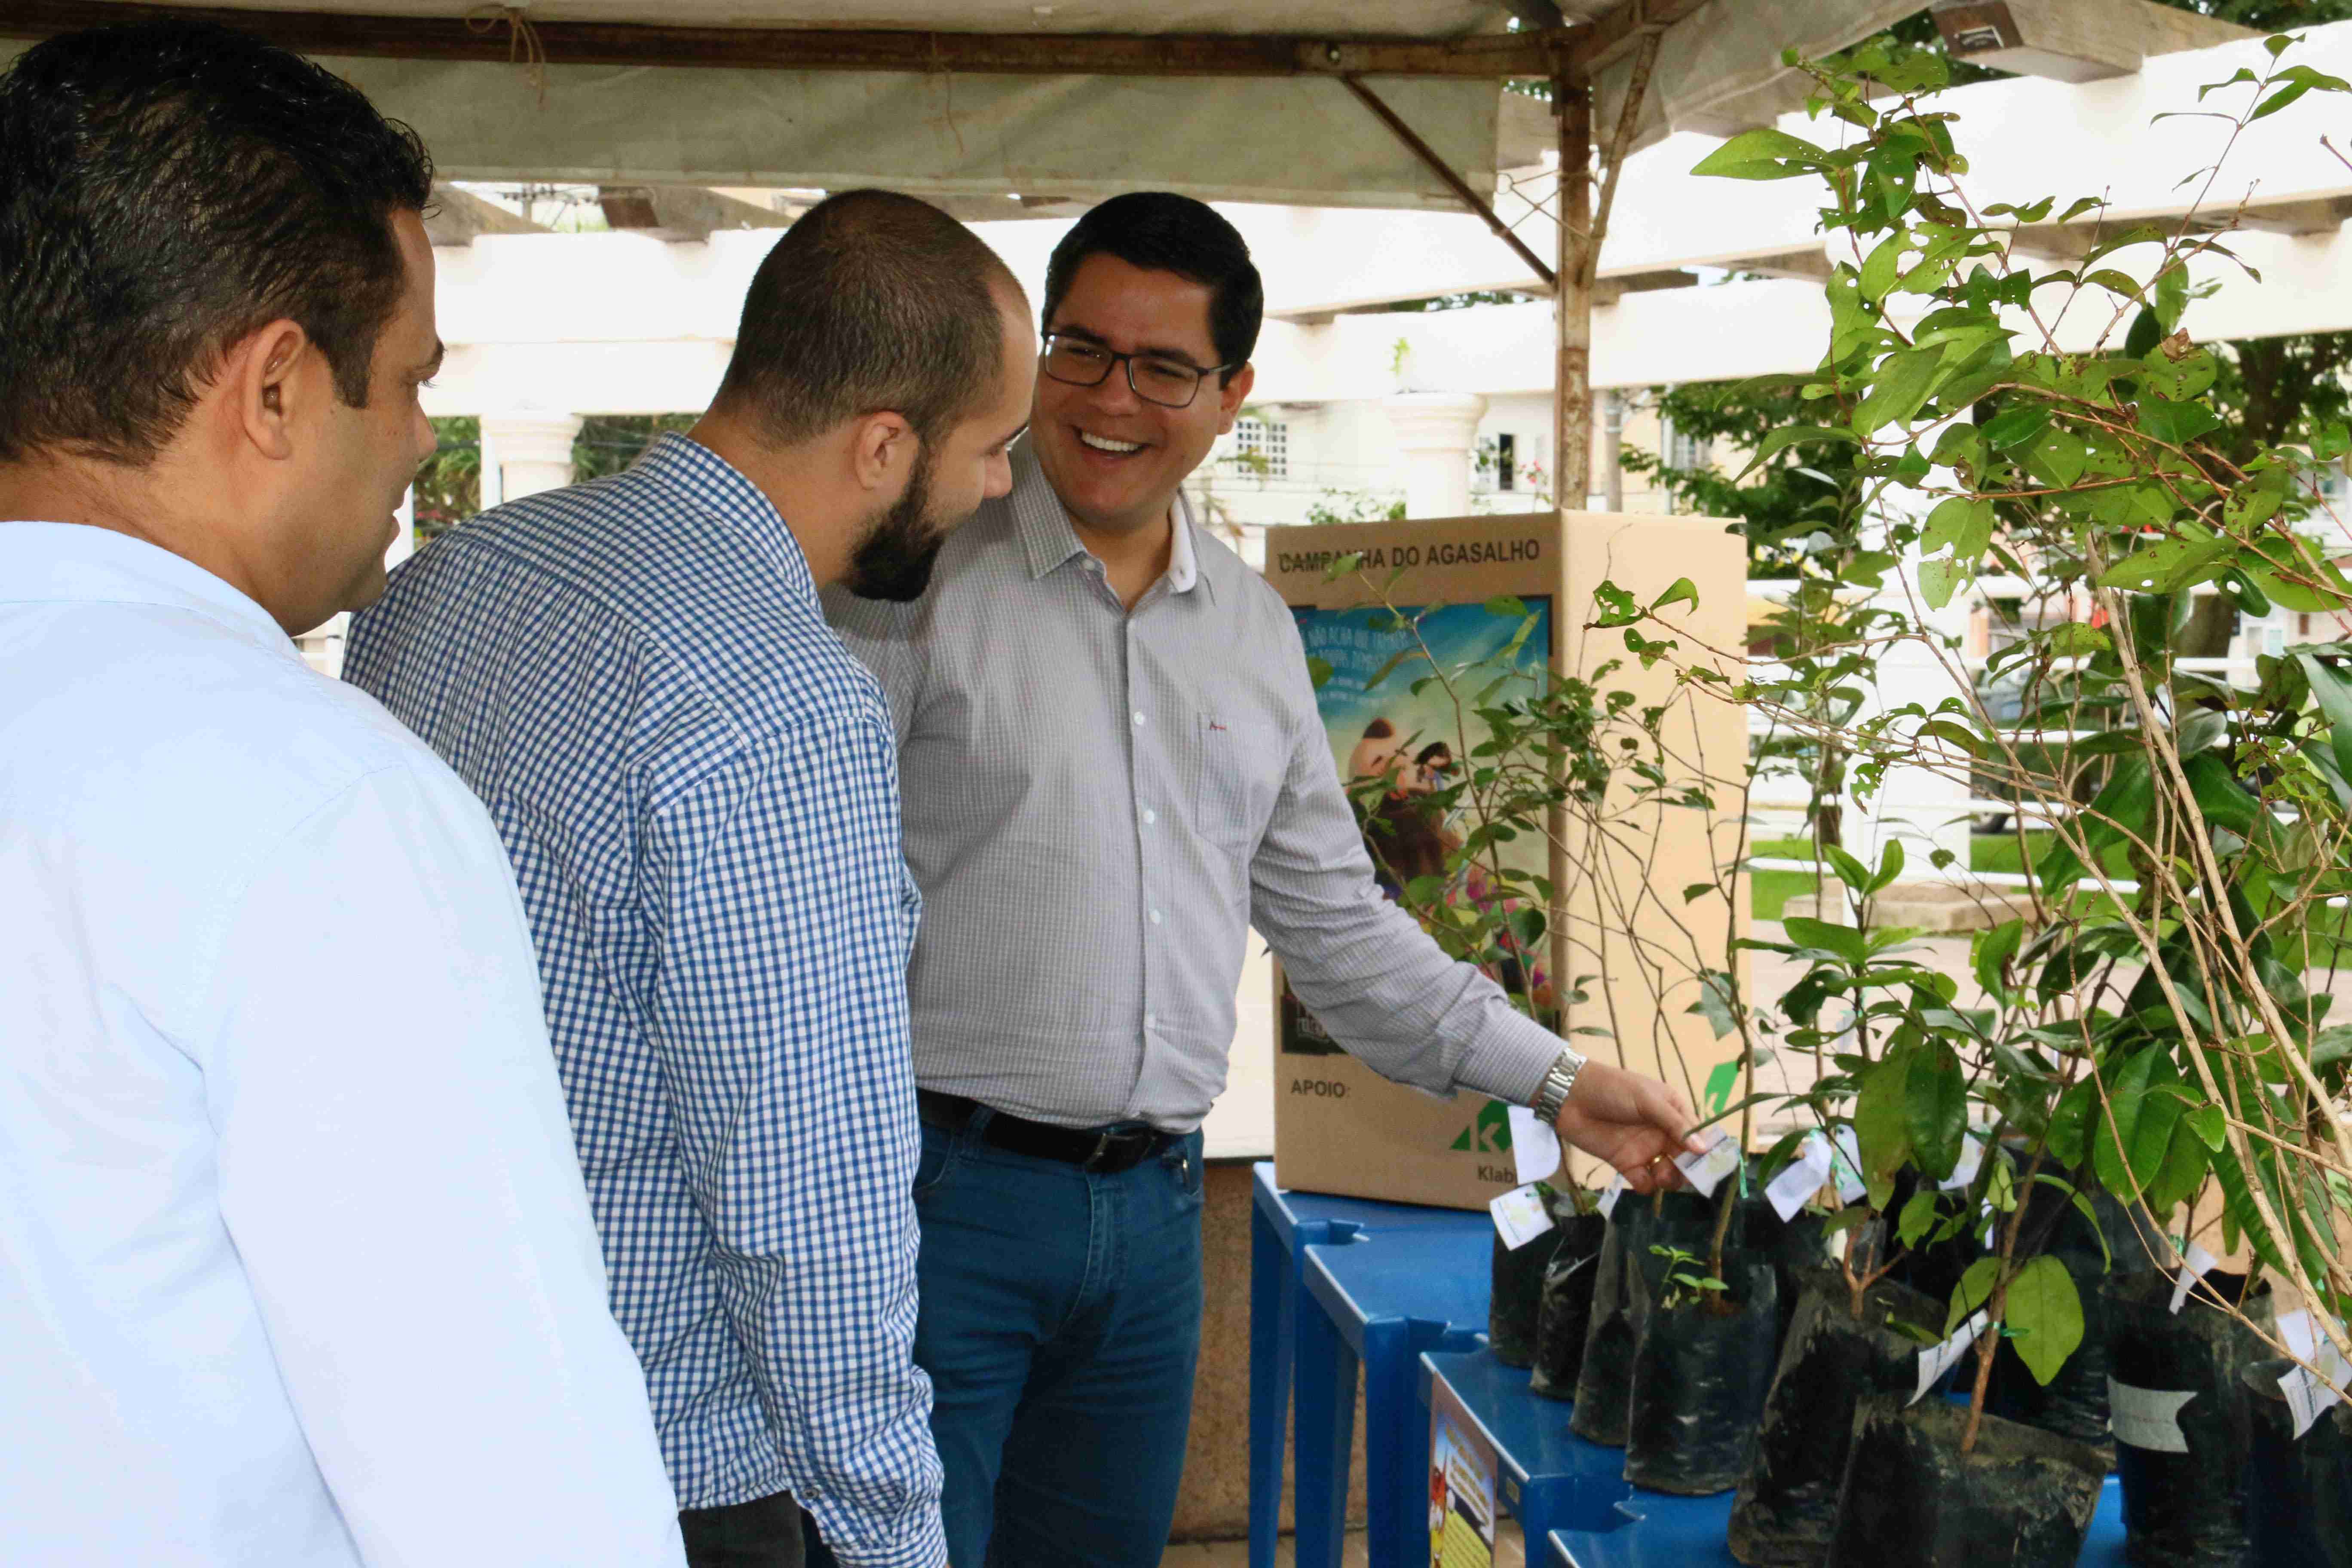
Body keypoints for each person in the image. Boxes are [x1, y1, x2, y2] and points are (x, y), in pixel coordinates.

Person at [825, 191, 1706, 1567]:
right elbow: (809, 895)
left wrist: (1564, 1082)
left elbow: (1342, 929)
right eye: (1082, 352)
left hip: (1155, 1227)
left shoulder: (1248, 631)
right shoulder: (915, 581)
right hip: (938, 1208)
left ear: (1231, 393)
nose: (1114, 400)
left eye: (1164, 368)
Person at [0, 20, 685, 1567]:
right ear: (275, 388)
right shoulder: (314, 804)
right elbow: (515, 1502)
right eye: (410, 381)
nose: (424, 440)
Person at [344, 189, 1036, 1568]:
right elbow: (807, 1210)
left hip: (429, 1417)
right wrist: (894, 1536)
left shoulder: (456, 576)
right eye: (992, 449)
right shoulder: (784, 708)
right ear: (884, 444)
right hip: (668, 1470)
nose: (1001, 488)